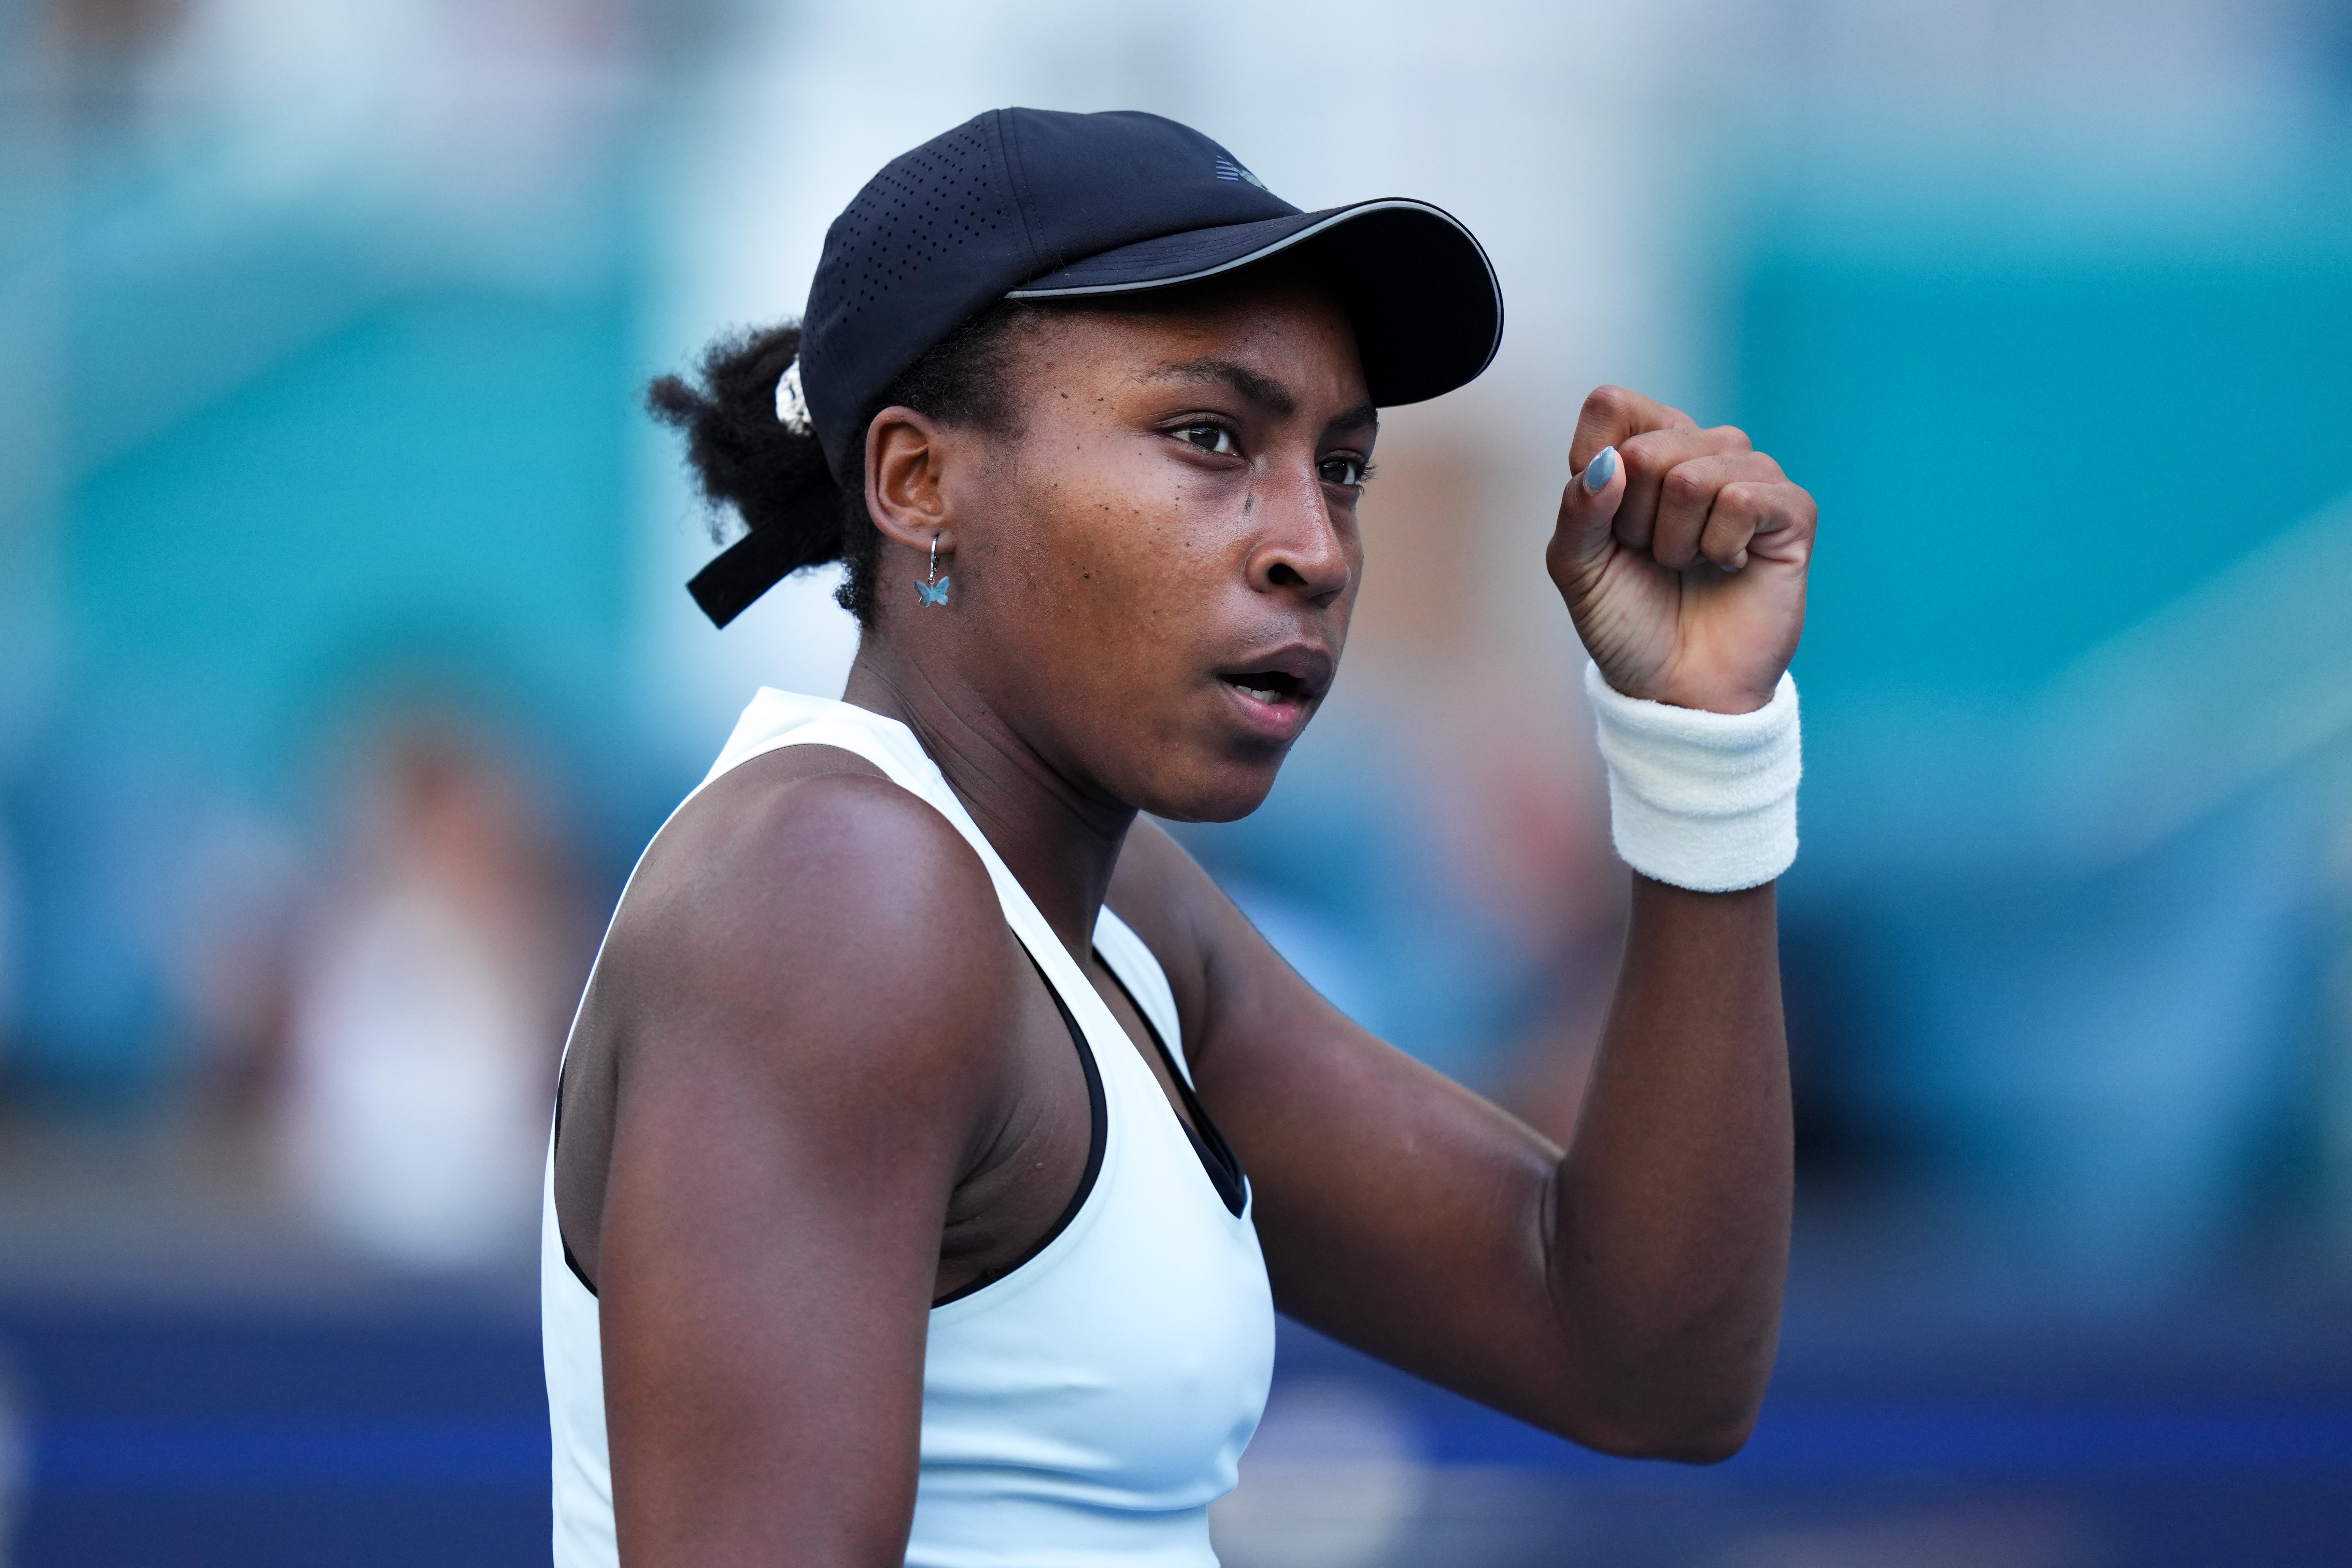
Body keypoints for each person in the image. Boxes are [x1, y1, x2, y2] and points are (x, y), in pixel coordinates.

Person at [543, 108, 1815, 1568]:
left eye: (1342, 465)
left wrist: (1703, 745)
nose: (1316, 547)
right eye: (1210, 438)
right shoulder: (835, 892)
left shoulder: (1114, 905)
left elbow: (1641, 1359)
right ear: (919, 484)